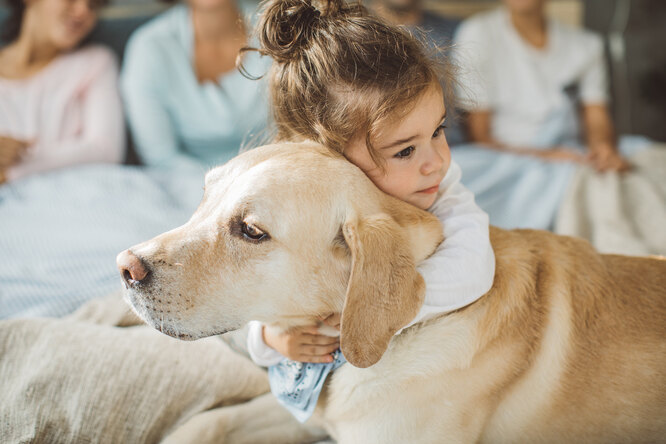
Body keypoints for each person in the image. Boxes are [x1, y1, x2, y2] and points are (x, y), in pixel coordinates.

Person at [242, 0, 495, 422]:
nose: (436, 160)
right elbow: (257, 282)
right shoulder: (296, 204)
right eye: (405, 150)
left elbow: (473, 267)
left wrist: (372, 308)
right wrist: (269, 338)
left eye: (438, 131)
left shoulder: (442, 186)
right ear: (330, 159)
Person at [455, 0, 630, 173]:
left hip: (573, 153)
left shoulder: (586, 45)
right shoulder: (477, 34)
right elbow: (480, 137)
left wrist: (602, 148)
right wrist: (543, 156)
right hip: (507, 160)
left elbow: (596, 115)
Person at [120, 0, 271, 172]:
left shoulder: (281, 29)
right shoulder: (149, 47)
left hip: (279, 175)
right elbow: (161, 157)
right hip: (189, 182)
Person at [0, 0, 124, 184]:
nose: (83, 11)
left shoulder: (95, 62)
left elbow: (105, 150)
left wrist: (14, 165)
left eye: (93, 6)